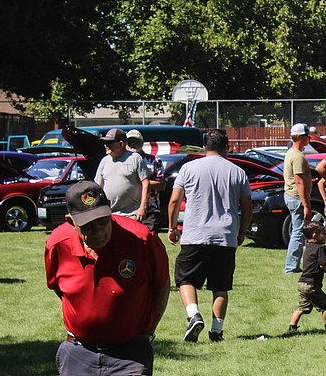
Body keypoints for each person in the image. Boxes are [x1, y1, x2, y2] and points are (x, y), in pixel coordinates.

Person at [44, 181, 170, 376]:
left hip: (129, 354)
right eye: (88, 226)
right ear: (70, 222)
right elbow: (59, 288)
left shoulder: (142, 239)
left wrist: (147, 330)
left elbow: (161, 286)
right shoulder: (57, 244)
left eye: (103, 221)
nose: (99, 230)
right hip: (78, 354)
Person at [167, 129, 252, 343]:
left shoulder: (188, 169)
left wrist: (171, 227)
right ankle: (216, 331)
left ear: (204, 147)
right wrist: (242, 232)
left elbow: (174, 201)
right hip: (225, 236)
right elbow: (247, 206)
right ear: (227, 147)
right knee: (220, 286)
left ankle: (193, 314)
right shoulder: (237, 172)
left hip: (195, 234)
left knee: (185, 279)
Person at [287, 220, 326, 334]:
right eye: (324, 233)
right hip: (312, 284)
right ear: (315, 235)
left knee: (302, 307)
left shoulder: (309, 246)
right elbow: (323, 264)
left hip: (302, 283)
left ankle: (292, 327)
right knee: (325, 306)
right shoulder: (320, 248)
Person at [94, 128, 150, 222]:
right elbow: (98, 187)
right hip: (110, 214)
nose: (106, 145)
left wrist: (142, 207)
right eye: (105, 143)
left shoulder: (135, 158)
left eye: (109, 143)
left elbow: (146, 183)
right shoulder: (104, 161)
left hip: (132, 214)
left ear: (121, 143)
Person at [283, 123, 314, 274]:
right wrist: (306, 205)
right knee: (298, 232)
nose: (309, 138)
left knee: (298, 231)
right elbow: (299, 180)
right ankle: (291, 266)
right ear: (300, 137)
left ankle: (292, 265)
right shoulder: (297, 156)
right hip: (296, 198)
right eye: (307, 136)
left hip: (292, 196)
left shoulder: (292, 153)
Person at [125, 129, 165, 233]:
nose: (133, 144)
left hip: (150, 209)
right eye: (130, 142)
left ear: (142, 143)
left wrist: (142, 182)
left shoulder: (154, 160)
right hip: (127, 209)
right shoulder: (121, 161)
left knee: (149, 241)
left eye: (136, 141)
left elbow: (162, 185)